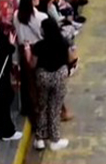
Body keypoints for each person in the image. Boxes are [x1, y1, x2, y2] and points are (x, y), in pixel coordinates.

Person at [31, 17, 73, 151]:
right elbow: (70, 58)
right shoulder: (63, 42)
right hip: (59, 77)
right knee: (55, 108)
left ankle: (40, 139)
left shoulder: (39, 46)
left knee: (42, 106)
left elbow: (33, 64)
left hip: (43, 78)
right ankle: (54, 139)